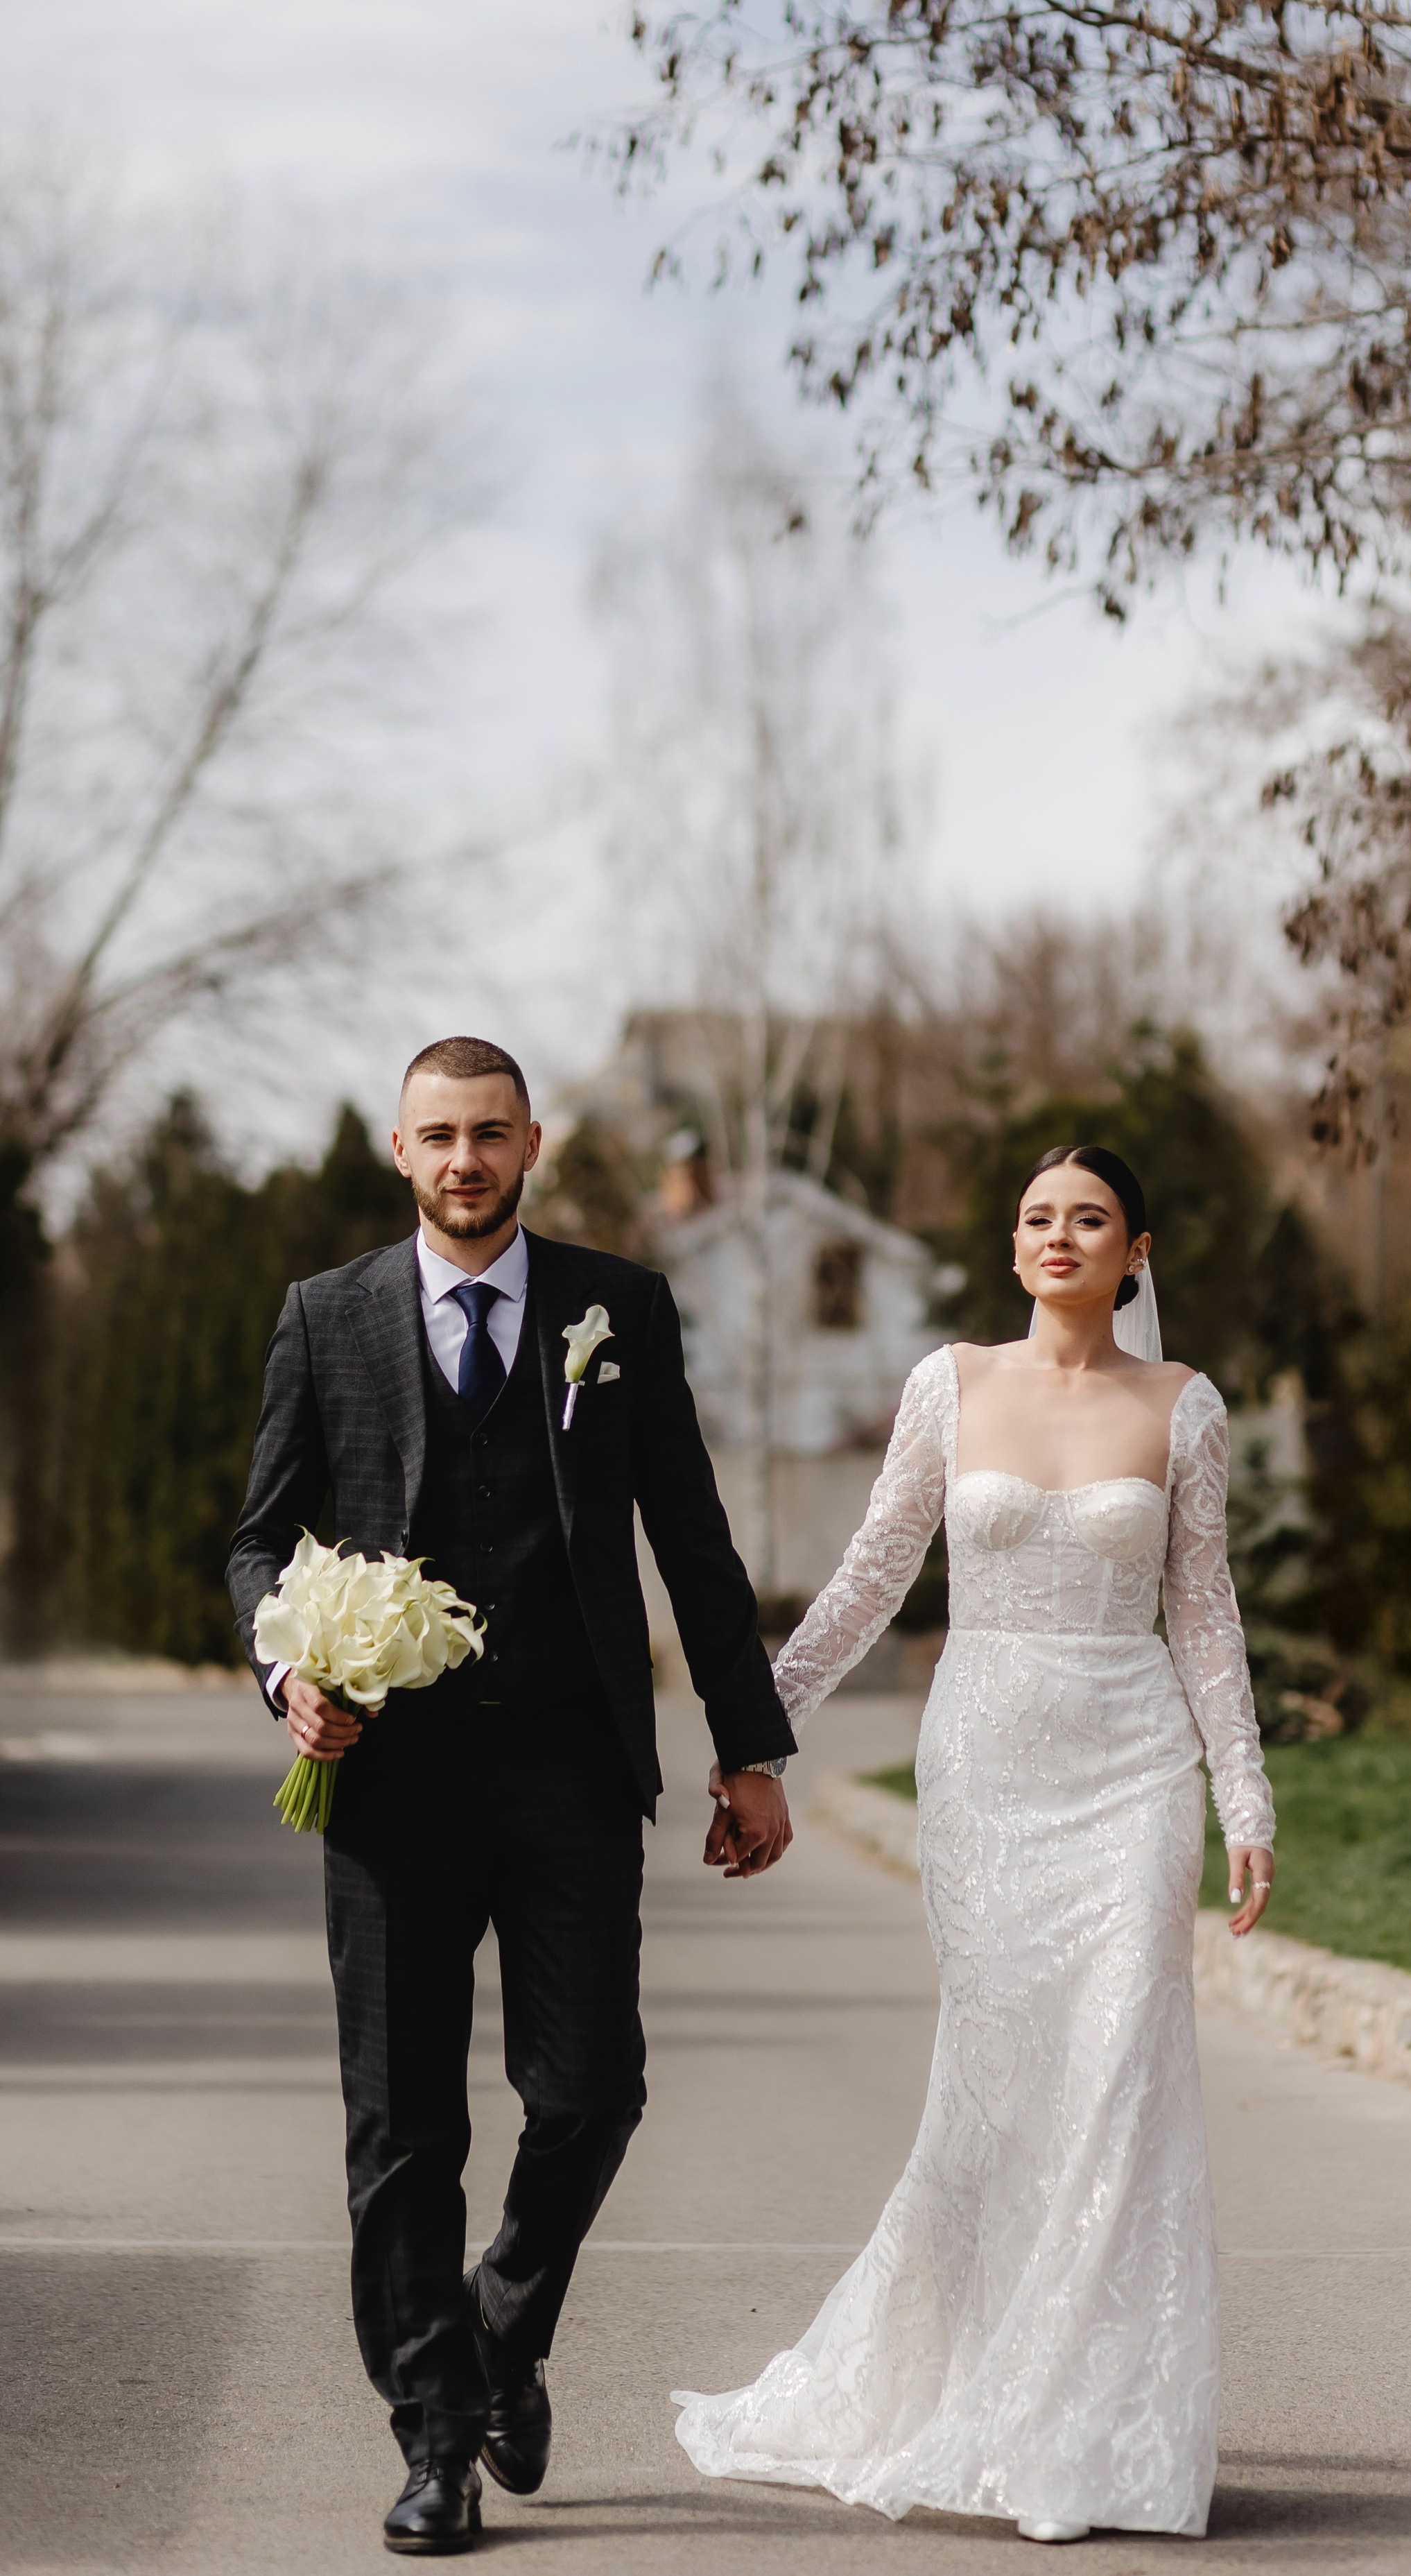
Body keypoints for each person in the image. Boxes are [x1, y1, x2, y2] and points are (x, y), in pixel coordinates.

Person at [227, 1036, 795, 2557]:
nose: (465, 1159)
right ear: (398, 1153)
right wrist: (290, 1676)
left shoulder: (620, 1307)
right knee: (401, 2129)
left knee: (591, 2088)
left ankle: (500, 2325)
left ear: (530, 1142)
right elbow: (257, 1544)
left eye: (490, 1133)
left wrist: (750, 1747)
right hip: (387, 1784)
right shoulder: (324, 1318)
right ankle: (434, 2441)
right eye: (438, 1136)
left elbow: (690, 1536)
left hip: (564, 1766)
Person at [674, 1144, 1276, 2544]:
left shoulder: (1184, 1410)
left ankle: (1088, 2429)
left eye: (1087, 1220)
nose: (1055, 1236)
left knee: (1118, 2072)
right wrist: (760, 1727)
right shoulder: (948, 1385)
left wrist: (1241, 1798)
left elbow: (1203, 1614)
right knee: (1001, 2089)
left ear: (1137, 1251)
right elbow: (877, 1565)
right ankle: (975, 2387)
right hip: (987, 1764)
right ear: (1012, 1249)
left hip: (1130, 1765)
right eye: (1033, 1219)